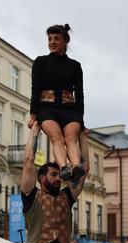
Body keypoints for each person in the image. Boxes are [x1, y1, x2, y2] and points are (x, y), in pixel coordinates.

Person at [28, 23, 85, 184]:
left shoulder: (75, 66)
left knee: (71, 137)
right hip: (47, 108)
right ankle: (64, 167)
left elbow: (80, 94)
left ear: (65, 41)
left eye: (56, 39)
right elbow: (35, 90)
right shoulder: (40, 62)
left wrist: (81, 121)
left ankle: (76, 168)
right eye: (50, 39)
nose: (52, 42)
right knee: (57, 137)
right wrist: (33, 116)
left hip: (70, 108)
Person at [21, 121, 89, 243]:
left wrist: (82, 137)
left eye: (59, 175)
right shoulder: (31, 194)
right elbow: (29, 160)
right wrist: (35, 129)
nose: (58, 178)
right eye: (53, 175)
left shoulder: (67, 196)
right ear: (42, 178)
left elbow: (84, 170)